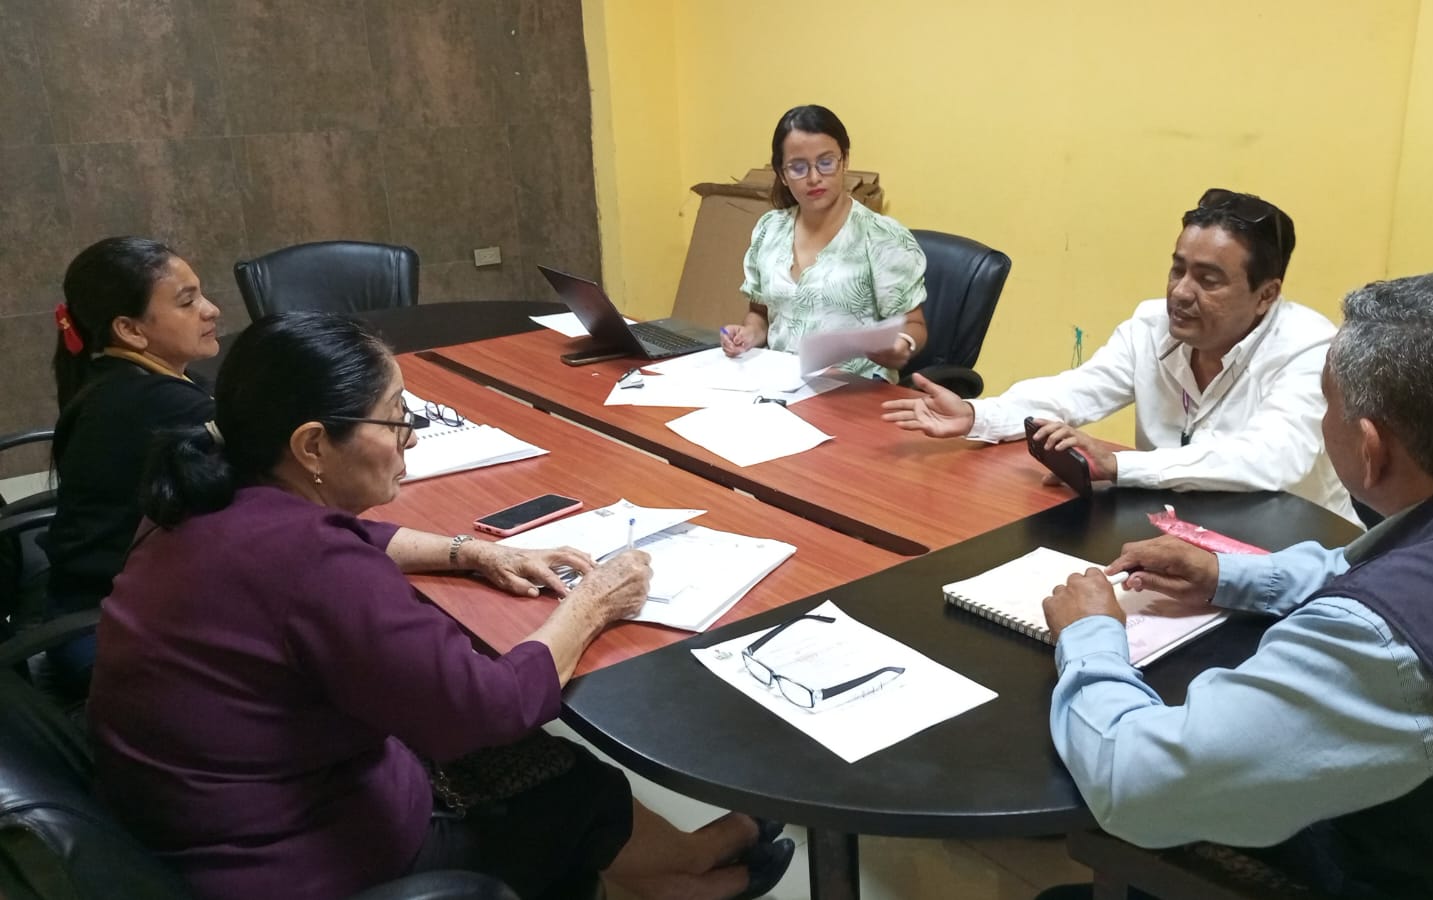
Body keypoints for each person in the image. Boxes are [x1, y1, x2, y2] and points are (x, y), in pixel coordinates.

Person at [88, 312, 794, 900]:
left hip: (200, 817)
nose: (414, 436)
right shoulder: (314, 566)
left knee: (539, 766)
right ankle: (700, 873)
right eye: (396, 417)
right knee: (565, 784)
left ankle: (675, 869)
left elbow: (360, 538)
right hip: (295, 859)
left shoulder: (209, 494)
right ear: (312, 446)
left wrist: (471, 551)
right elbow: (490, 707)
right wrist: (594, 604)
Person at [1037, 274, 1433, 899]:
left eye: (1327, 406)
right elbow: (1402, 564)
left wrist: (1091, 638)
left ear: (1370, 449)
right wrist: (1230, 576)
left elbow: (1135, 784)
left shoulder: (1385, 642)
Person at [882, 189, 1356, 523]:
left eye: (1208, 280)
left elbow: (1270, 459)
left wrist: (1117, 466)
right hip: (1182, 530)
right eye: (1177, 270)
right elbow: (1075, 392)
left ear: (1266, 295)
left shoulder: (1309, 347)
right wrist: (978, 415)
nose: (1181, 292)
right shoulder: (1153, 326)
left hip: (1295, 549)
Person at [41, 237, 220, 694]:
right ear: (130, 329)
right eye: (188, 301)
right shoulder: (157, 402)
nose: (211, 310)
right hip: (110, 630)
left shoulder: (126, 378)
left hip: (90, 599)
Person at [721, 104, 928, 381]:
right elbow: (760, 313)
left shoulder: (880, 236)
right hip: (780, 384)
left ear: (845, 161)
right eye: (798, 167)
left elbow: (914, 324)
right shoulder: (770, 229)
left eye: (826, 162)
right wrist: (749, 334)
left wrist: (903, 342)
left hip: (853, 389)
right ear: (782, 174)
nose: (814, 177)